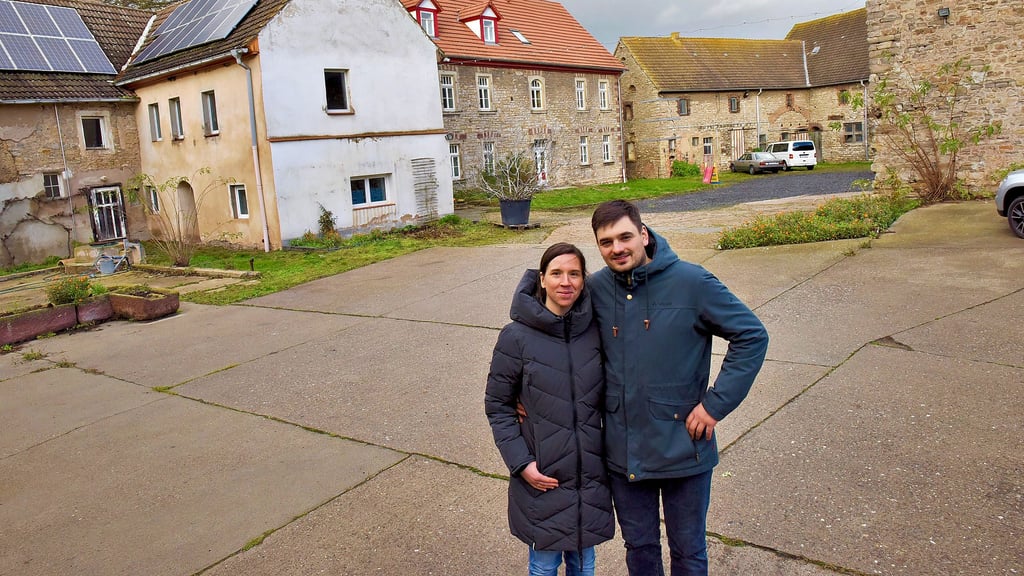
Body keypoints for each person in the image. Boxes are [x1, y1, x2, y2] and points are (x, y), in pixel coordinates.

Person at [588, 200, 769, 576]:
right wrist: (524, 392)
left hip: (684, 448)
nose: (617, 248)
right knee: (640, 548)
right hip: (624, 452)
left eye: (625, 237)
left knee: (688, 551)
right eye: (606, 242)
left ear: (643, 234)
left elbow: (751, 335)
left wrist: (715, 405)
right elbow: (553, 329)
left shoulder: (692, 282)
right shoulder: (597, 289)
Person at [485, 242, 615, 576]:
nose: (566, 282)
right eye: (556, 273)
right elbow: (498, 405)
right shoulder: (516, 337)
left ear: (584, 280)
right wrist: (521, 464)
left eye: (574, 274)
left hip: (589, 476)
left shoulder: (595, 332)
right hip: (544, 475)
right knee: (544, 566)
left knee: (584, 564)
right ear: (541, 279)